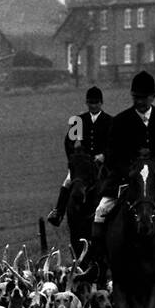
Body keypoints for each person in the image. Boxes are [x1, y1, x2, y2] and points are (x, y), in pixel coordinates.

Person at [87, 71, 155, 282]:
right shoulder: (120, 121)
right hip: (127, 180)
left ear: (153, 97)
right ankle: (96, 263)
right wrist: (127, 173)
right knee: (101, 210)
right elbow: (111, 155)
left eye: (144, 98)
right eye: (136, 98)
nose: (140, 102)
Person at [47, 85, 110, 227]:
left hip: (102, 162)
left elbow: (113, 144)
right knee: (68, 181)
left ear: (101, 103)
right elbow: (68, 142)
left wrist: (103, 155)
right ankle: (58, 212)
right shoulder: (79, 120)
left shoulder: (109, 120)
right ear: (86, 103)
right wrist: (73, 161)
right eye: (90, 103)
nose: (93, 106)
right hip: (83, 163)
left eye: (96, 103)